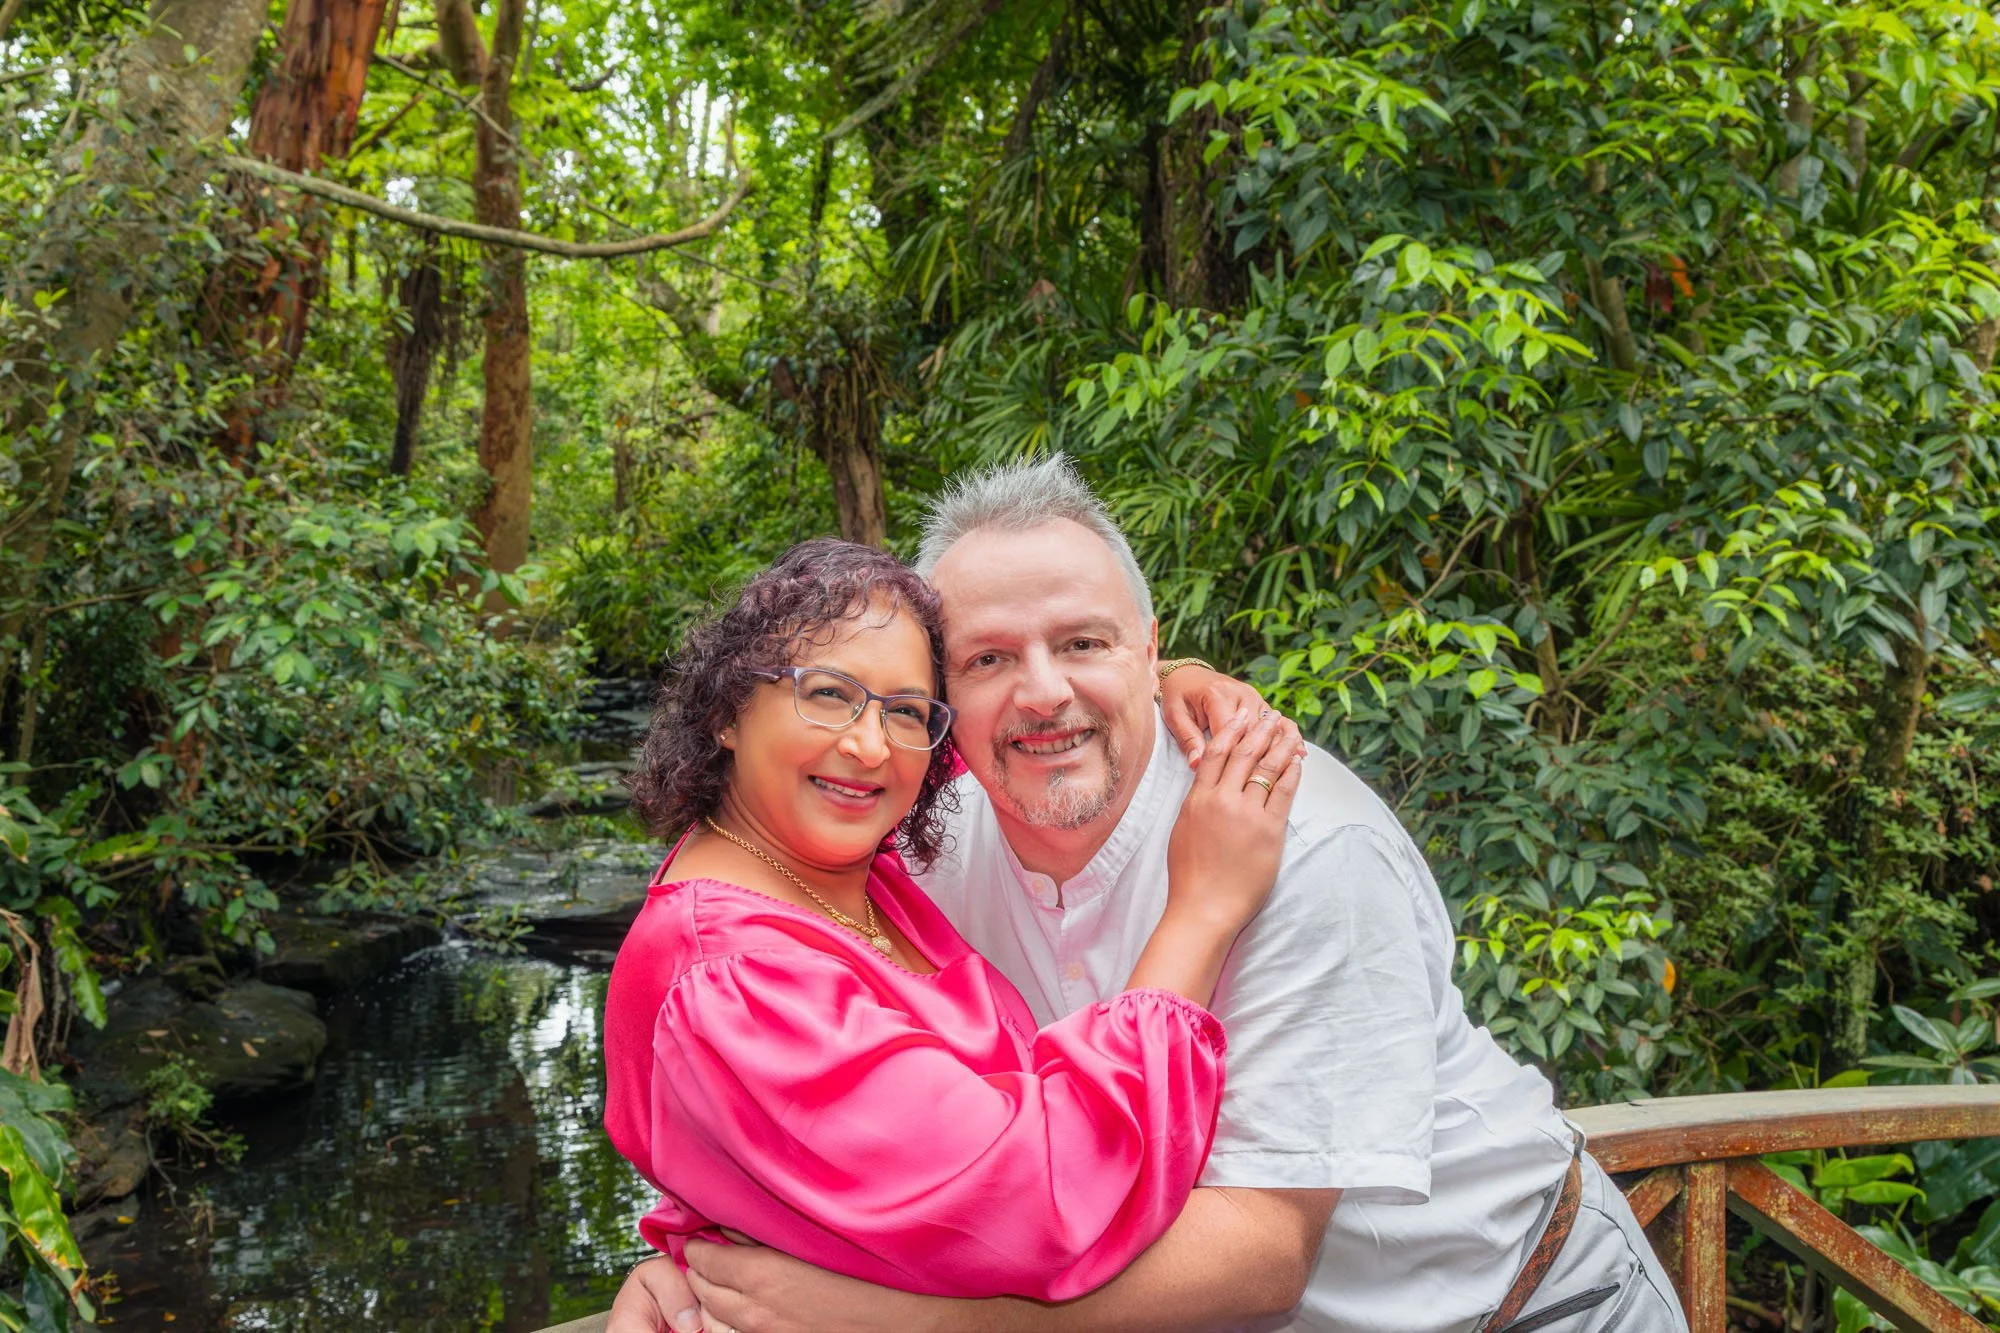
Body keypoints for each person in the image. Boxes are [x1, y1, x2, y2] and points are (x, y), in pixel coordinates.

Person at [609, 456, 1687, 1333]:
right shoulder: (920, 837)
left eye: (1081, 642)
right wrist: (686, 1250)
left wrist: (927, 1323)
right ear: (945, 703)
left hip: (1526, 1303)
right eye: (987, 659)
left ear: (1145, 648)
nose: (1041, 691)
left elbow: (1260, 1256)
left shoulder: (1300, 845)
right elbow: (809, 1094)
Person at [601, 539, 1306, 1307]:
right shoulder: (735, 979)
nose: (869, 745)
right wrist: (1202, 911)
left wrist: (1169, 677)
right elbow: (1045, 1201)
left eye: (905, 709)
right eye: (828, 694)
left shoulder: (842, 860)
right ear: (727, 710)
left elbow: (1028, 717)